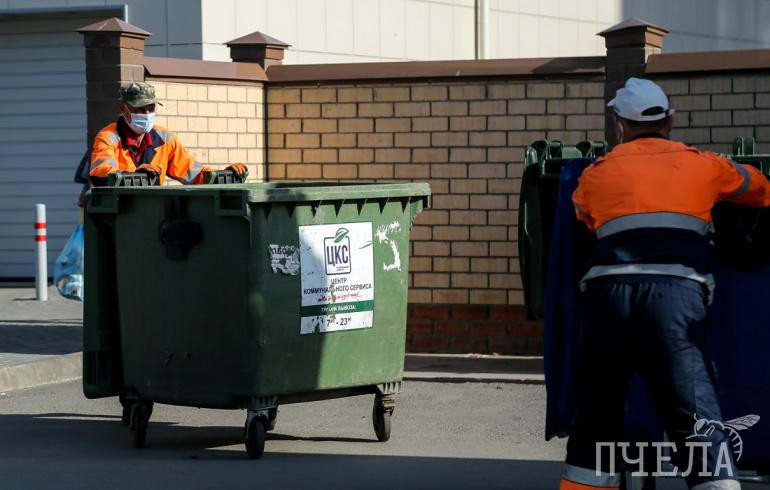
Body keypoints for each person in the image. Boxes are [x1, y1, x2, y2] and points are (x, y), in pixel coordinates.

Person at [560, 78, 770, 490]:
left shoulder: (595, 175)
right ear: (670, 120)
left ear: (620, 125)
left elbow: (585, 219)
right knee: (695, 416)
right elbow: (760, 191)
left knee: (596, 417)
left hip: (607, 299)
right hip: (676, 296)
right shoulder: (706, 166)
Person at [89, 82, 247, 185]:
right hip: (122, 214)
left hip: (154, 212)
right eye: (140, 109)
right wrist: (134, 176)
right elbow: (100, 173)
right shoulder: (108, 137)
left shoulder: (165, 138)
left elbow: (193, 172)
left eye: (151, 108)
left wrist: (225, 175)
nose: (147, 113)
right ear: (123, 108)